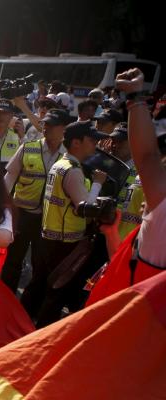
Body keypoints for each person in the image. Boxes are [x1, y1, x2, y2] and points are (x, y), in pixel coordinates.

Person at [86, 68, 166, 305]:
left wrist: (134, 97)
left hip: (131, 318)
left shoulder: (162, 207)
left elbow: (148, 156)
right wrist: (112, 234)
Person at [20, 121, 108, 326]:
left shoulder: (61, 164)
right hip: (64, 243)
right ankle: (42, 333)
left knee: (40, 284)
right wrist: (97, 184)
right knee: (56, 292)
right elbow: (86, 209)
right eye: (92, 139)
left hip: (50, 235)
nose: (96, 144)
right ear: (76, 142)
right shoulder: (73, 170)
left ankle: (21, 321)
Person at [0, 109, 71, 293]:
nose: (46, 128)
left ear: (64, 128)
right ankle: (4, 298)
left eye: (52, 125)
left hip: (49, 221)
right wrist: (1, 207)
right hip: (22, 215)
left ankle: (28, 306)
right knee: (12, 260)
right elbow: (9, 177)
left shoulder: (69, 156)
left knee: (41, 264)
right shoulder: (28, 147)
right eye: (45, 124)